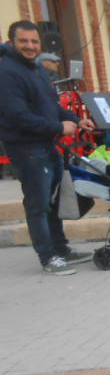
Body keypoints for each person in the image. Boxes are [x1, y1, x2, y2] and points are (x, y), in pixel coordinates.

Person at [0, 20, 95, 275]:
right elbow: (17, 116)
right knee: (38, 204)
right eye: (24, 41)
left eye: (34, 41)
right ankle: (48, 257)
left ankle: (61, 249)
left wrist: (76, 120)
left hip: (46, 146)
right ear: (12, 42)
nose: (30, 46)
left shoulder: (37, 69)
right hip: (27, 150)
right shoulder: (6, 72)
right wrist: (58, 128)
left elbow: (51, 106)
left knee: (53, 202)